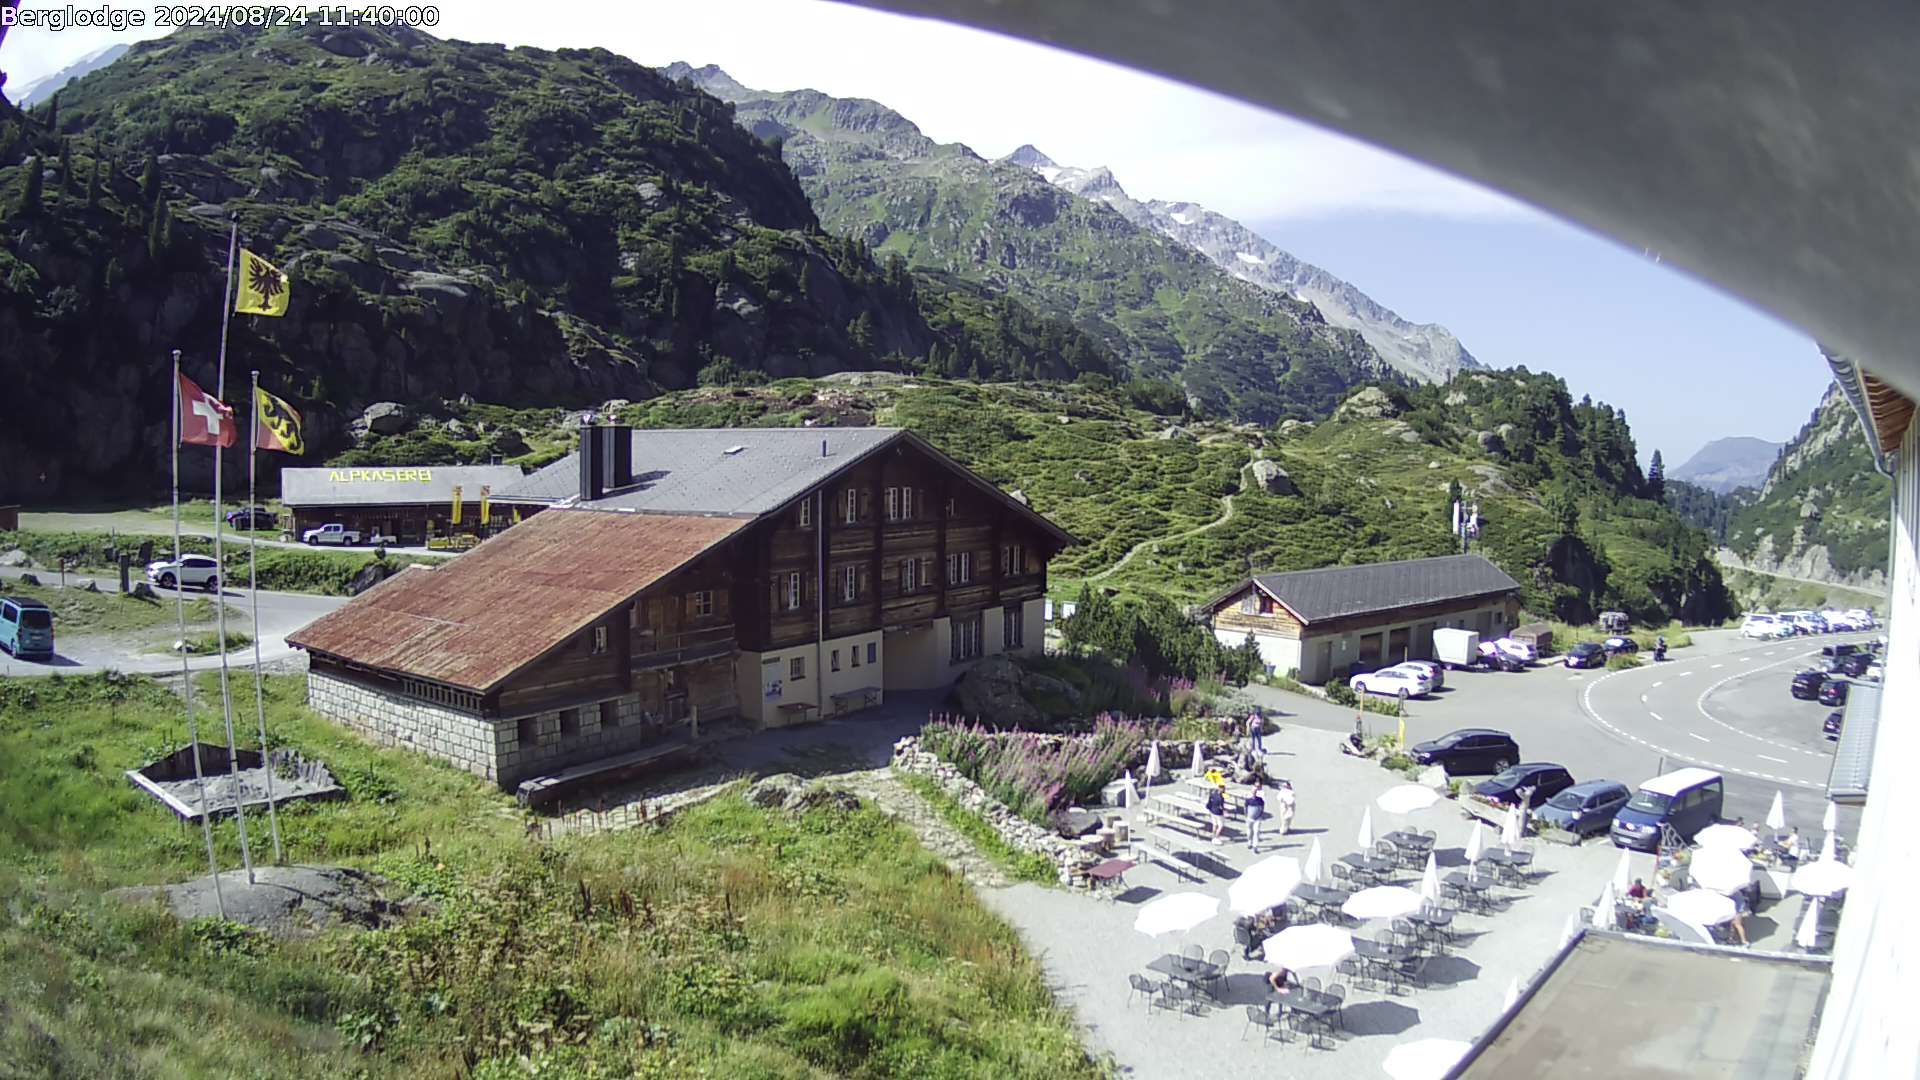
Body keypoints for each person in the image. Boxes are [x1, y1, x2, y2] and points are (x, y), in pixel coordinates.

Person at [1246, 780, 1267, 851]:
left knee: (1256, 831)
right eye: (1253, 792)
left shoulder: (1260, 799)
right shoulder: (1248, 800)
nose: (1254, 793)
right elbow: (1245, 808)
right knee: (1249, 831)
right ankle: (1249, 842)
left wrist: (1260, 815)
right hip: (1249, 818)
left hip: (1257, 818)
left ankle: (1255, 846)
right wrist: (1246, 815)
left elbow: (1262, 807)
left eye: (1255, 792)